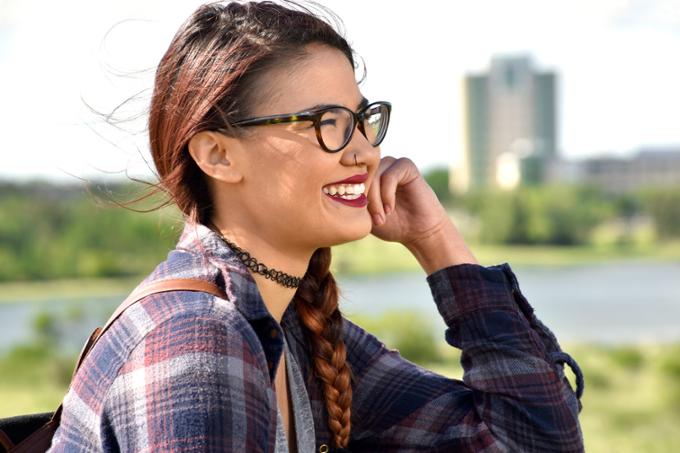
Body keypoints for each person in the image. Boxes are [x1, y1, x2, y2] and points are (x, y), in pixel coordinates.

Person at [48, 1, 585, 452]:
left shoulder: (299, 331)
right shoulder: (196, 343)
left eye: (360, 120)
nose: (364, 153)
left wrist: (437, 241)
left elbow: (531, 440)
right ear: (217, 155)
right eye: (326, 123)